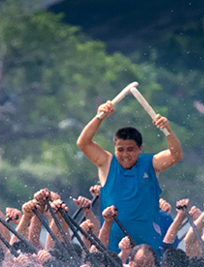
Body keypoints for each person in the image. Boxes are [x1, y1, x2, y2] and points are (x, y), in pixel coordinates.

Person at [76, 98, 183, 254]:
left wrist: (167, 129)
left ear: (140, 149)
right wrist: (99, 117)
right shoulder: (106, 163)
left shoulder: (151, 164)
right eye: (120, 150)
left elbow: (176, 155)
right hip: (113, 249)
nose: (125, 155)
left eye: (130, 149)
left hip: (148, 248)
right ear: (115, 148)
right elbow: (83, 143)